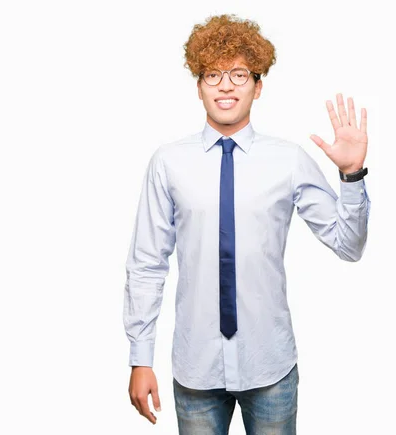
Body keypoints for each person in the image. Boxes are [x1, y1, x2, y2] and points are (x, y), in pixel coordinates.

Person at [123, 13, 371, 434]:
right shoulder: (168, 163)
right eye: (213, 74)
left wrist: (351, 177)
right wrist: (140, 357)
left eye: (239, 73)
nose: (225, 84)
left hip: (269, 367)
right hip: (196, 368)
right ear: (199, 86)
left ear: (258, 86)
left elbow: (349, 245)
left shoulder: (288, 160)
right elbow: (147, 263)